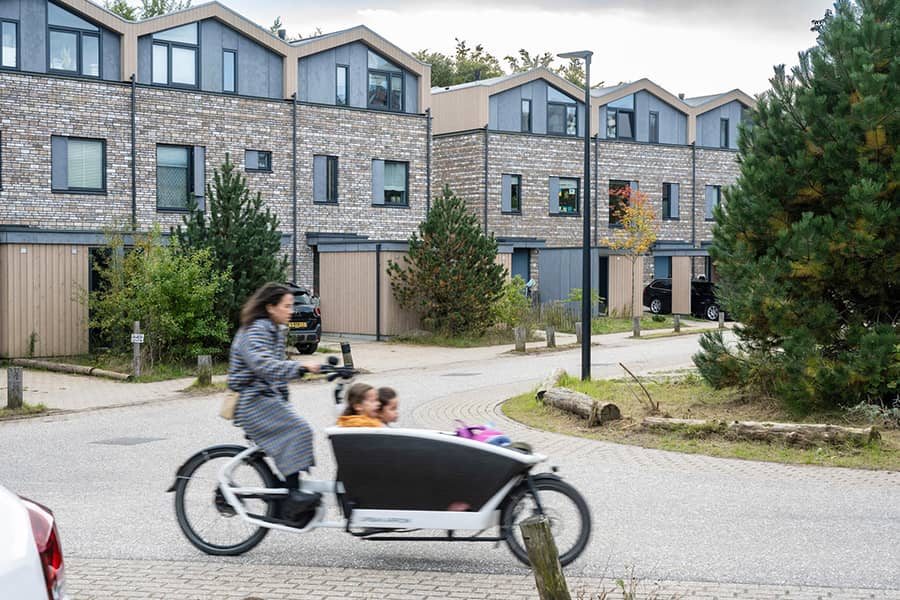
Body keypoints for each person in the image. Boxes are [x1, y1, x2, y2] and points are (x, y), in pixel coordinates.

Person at [228, 282, 322, 519]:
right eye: (287, 306)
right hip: (250, 400)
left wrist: (284, 401)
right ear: (270, 307)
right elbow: (263, 365)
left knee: (295, 428)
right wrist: (299, 367)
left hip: (264, 397)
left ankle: (288, 495)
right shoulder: (257, 330)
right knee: (299, 429)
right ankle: (291, 497)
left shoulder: (274, 329)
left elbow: (276, 375)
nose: (291, 311)